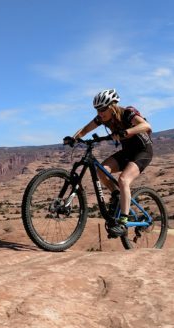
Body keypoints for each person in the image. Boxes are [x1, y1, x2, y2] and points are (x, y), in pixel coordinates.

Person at [64, 89, 154, 238]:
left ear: (112, 106)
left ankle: (123, 223)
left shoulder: (127, 113)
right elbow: (86, 129)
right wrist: (74, 138)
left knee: (124, 179)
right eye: (97, 110)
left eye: (102, 109)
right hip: (127, 152)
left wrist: (127, 132)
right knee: (102, 170)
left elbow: (146, 126)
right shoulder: (102, 118)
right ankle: (117, 195)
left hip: (142, 151)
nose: (100, 113)